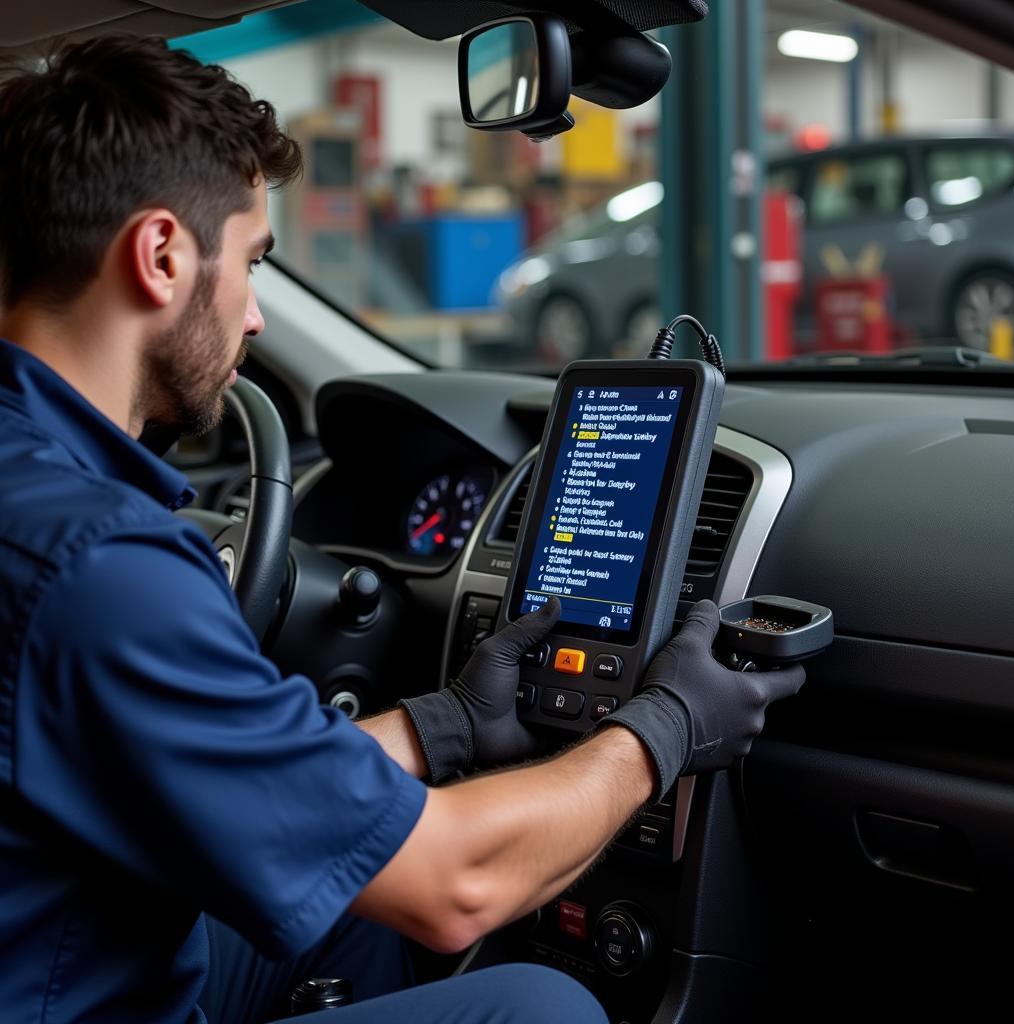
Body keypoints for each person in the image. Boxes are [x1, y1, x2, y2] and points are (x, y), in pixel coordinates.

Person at [0, 34, 805, 1024]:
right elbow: (455, 886)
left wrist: (447, 724)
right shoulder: (101, 568)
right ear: (161, 254)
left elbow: (274, 794)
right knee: (541, 1010)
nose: (253, 317)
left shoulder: (36, 491)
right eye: (251, 262)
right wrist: (668, 726)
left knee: (350, 903)